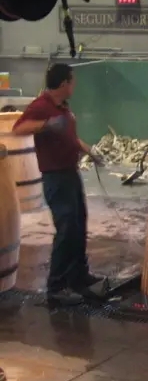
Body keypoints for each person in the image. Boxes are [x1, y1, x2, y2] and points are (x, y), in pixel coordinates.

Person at [12, 63, 108, 305]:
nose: (74, 86)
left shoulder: (62, 107)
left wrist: (90, 151)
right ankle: (56, 287)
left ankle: (78, 276)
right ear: (64, 83)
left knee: (78, 223)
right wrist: (46, 125)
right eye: (72, 82)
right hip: (55, 177)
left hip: (70, 173)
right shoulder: (41, 106)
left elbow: (70, 138)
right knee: (66, 228)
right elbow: (18, 129)